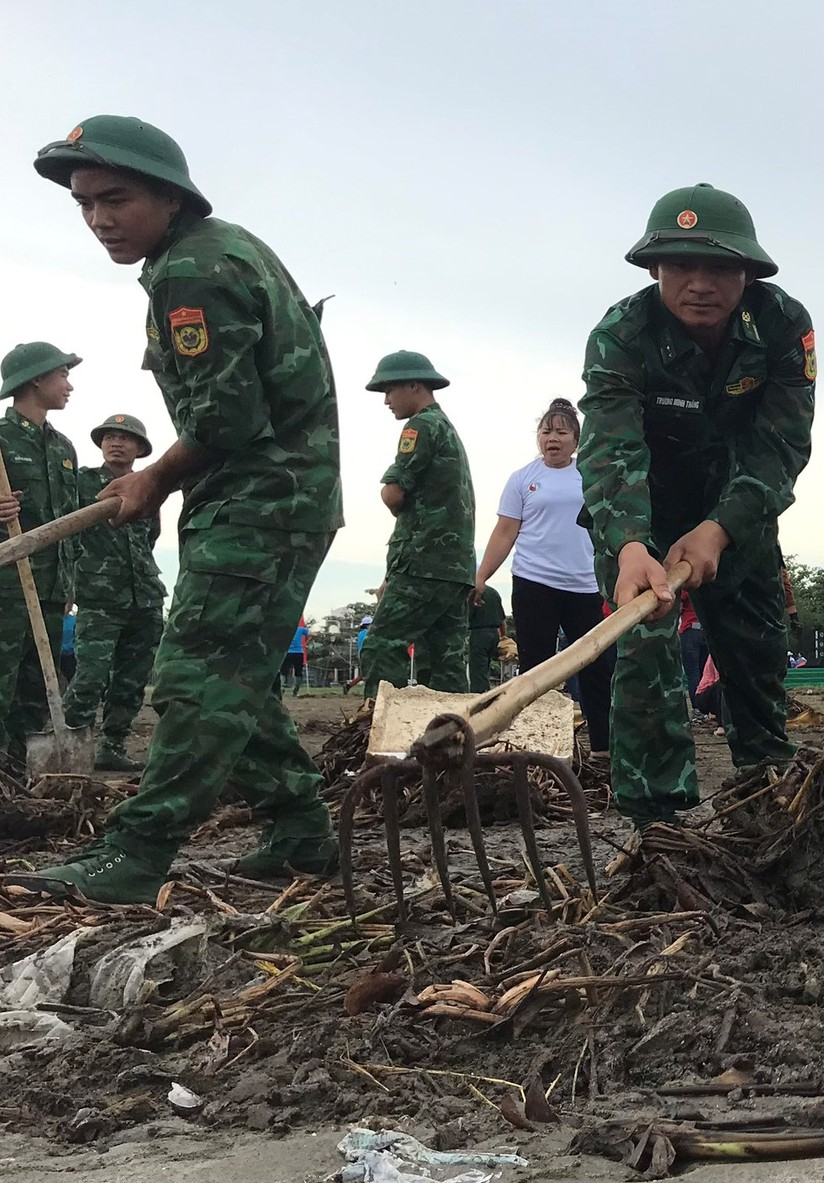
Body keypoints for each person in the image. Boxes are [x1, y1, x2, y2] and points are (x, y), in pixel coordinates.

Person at [21, 115, 342, 902]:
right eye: (84, 204)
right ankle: (301, 830)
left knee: (194, 676)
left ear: (169, 196)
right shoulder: (216, 249)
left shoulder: (189, 272)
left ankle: (136, 852)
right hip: (277, 498)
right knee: (240, 677)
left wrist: (154, 477)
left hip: (262, 503)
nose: (99, 219)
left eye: (116, 198)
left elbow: (226, 423)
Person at [579, 182, 814, 825]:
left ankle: (767, 795)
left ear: (748, 271)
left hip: (738, 511)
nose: (700, 283)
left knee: (754, 649)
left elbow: (781, 443)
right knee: (647, 645)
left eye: (719, 266)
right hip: (640, 508)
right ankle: (657, 822)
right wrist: (630, 544)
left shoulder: (782, 325)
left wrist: (721, 528)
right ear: (656, 268)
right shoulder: (620, 333)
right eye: (681, 265)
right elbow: (608, 446)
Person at [474, 398, 611, 746]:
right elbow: (505, 532)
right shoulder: (523, 479)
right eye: (546, 431)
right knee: (536, 668)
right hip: (534, 583)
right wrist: (481, 576)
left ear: (576, 439)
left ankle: (603, 747)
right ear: (539, 438)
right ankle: (534, 745)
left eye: (562, 431)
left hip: (586, 585)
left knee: (598, 668)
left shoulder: (592, 474)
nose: (553, 438)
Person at [360, 351, 473, 697]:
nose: (385, 401)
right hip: (454, 568)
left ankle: (379, 733)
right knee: (445, 664)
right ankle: (453, 741)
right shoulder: (447, 429)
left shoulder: (421, 426)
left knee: (380, 645)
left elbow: (393, 494)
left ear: (414, 385)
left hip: (423, 562)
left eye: (390, 390)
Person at [0, 342, 82, 775]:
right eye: (62, 375)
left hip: (50, 588)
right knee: (2, 682)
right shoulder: (0, 440)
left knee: (36, 688)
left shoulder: (64, 447)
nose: (69, 385)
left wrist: (70, 586)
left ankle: (16, 775)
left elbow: (67, 520)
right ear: (35, 379)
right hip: (7, 587)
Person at [466, 586, 505, 693]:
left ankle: (479, 693)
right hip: (495, 633)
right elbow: (503, 619)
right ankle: (486, 690)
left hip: (479, 633)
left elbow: (467, 614)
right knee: (486, 665)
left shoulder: (474, 592)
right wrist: (503, 637)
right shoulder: (494, 592)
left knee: (477, 668)